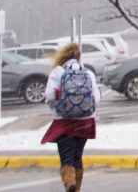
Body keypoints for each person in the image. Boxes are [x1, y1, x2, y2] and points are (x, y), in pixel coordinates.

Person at [41, 43, 101, 192]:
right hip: (86, 122)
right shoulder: (88, 73)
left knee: (66, 159)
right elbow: (97, 98)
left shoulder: (57, 72)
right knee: (77, 157)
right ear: (78, 57)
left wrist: (58, 108)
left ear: (63, 56)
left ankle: (69, 185)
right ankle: (76, 188)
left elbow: (49, 96)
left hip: (64, 122)